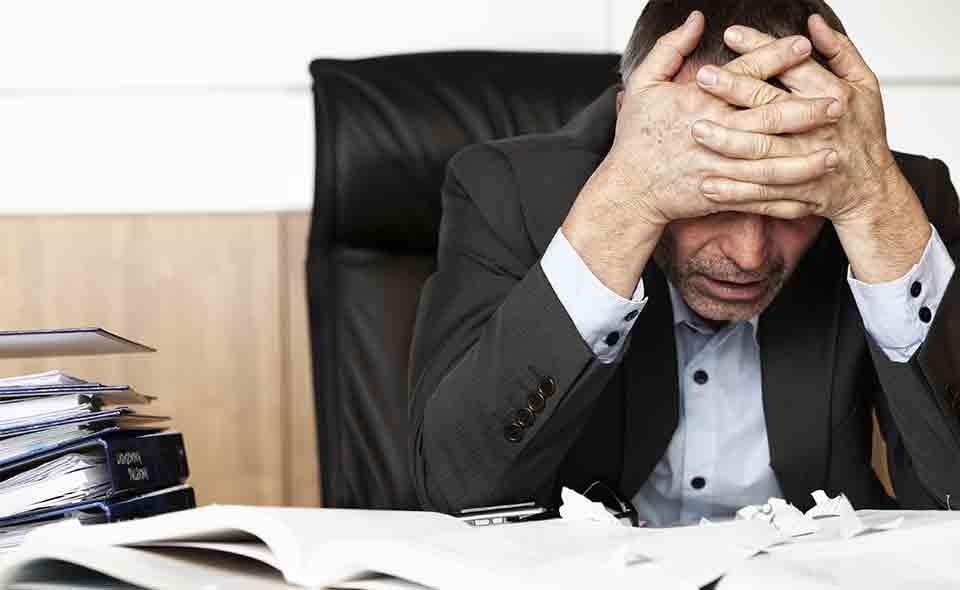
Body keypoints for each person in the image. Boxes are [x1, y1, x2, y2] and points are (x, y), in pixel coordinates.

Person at [408, 0, 960, 526]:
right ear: (633, 136)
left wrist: (875, 208)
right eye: (710, 197)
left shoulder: (887, 201)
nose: (748, 256)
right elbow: (456, 486)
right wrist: (625, 202)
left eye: (794, 203)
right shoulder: (509, 192)